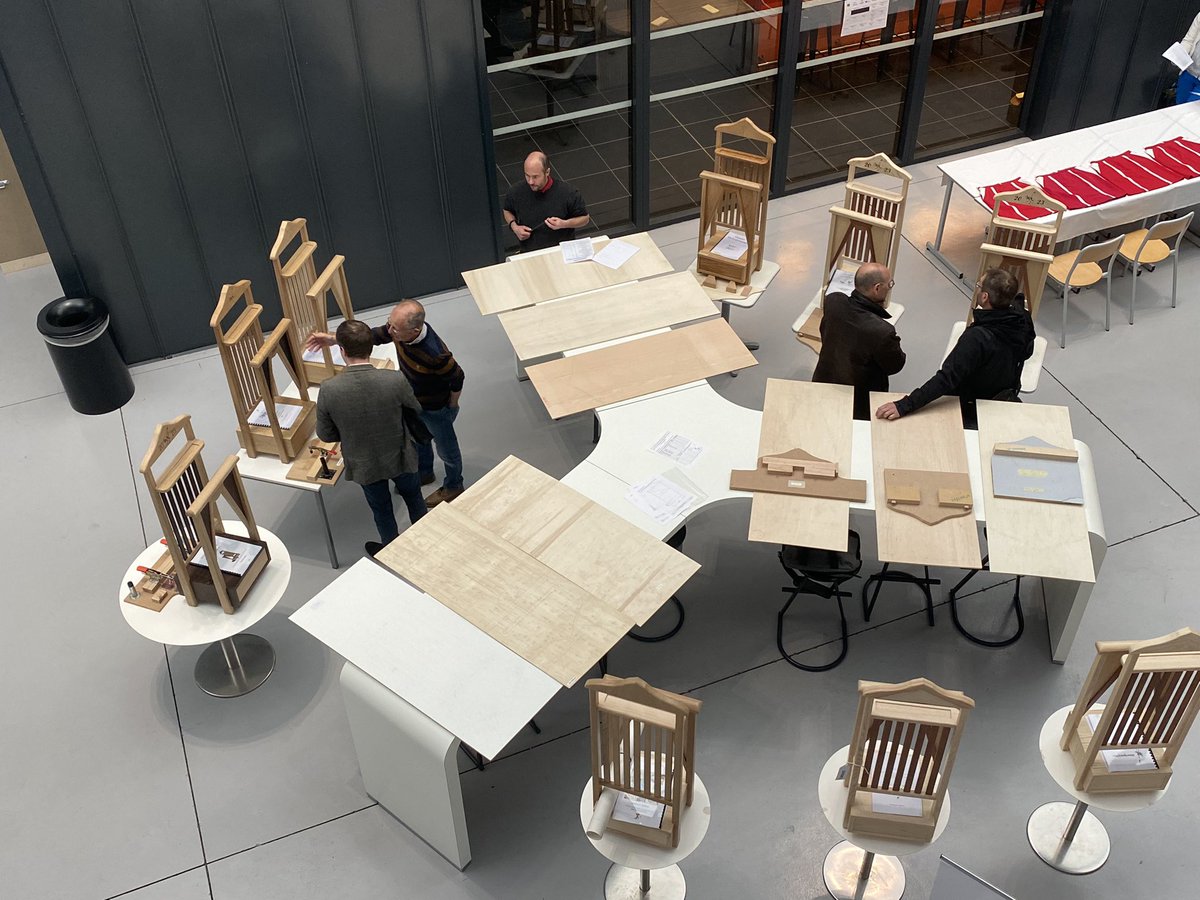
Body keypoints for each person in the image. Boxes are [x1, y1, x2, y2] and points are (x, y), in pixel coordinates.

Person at [308, 299, 466, 507]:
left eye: (395, 328)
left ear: (415, 330)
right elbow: (373, 336)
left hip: (436, 408)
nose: (390, 331)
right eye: (389, 323)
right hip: (413, 401)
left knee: (447, 449)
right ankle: (424, 473)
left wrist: (451, 407)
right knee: (419, 438)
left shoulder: (435, 354)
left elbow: (457, 377)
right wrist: (333, 339)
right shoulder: (399, 331)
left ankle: (454, 484)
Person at [315, 320, 427, 558]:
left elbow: (326, 434)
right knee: (414, 497)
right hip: (400, 454)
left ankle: (391, 552)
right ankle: (426, 542)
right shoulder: (394, 379)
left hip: (364, 462)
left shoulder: (329, 389)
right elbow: (414, 409)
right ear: (371, 347)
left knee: (382, 509)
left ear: (342, 350)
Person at [875, 268, 1034, 430]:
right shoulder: (1022, 318)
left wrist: (904, 405)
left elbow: (947, 379)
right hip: (1000, 396)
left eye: (979, 285)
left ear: (985, 297)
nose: (977, 288)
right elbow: (1027, 351)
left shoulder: (977, 337)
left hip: (972, 405)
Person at [812, 262, 906, 420]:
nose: (890, 287)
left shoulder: (833, 301)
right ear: (877, 288)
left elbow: (825, 331)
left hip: (824, 381)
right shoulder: (882, 331)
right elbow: (895, 365)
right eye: (889, 284)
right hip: (858, 402)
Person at [502, 151, 590, 252]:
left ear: (547, 172)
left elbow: (584, 219)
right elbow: (507, 210)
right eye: (527, 175)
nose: (530, 181)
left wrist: (564, 224)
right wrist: (515, 227)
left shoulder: (568, 193)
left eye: (535, 177)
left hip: (561, 252)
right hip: (530, 252)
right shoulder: (515, 191)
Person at [1177, 11, 1200, 104]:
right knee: (1178, 106)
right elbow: (1188, 41)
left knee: (1189, 113)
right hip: (1188, 72)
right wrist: (1179, 55)